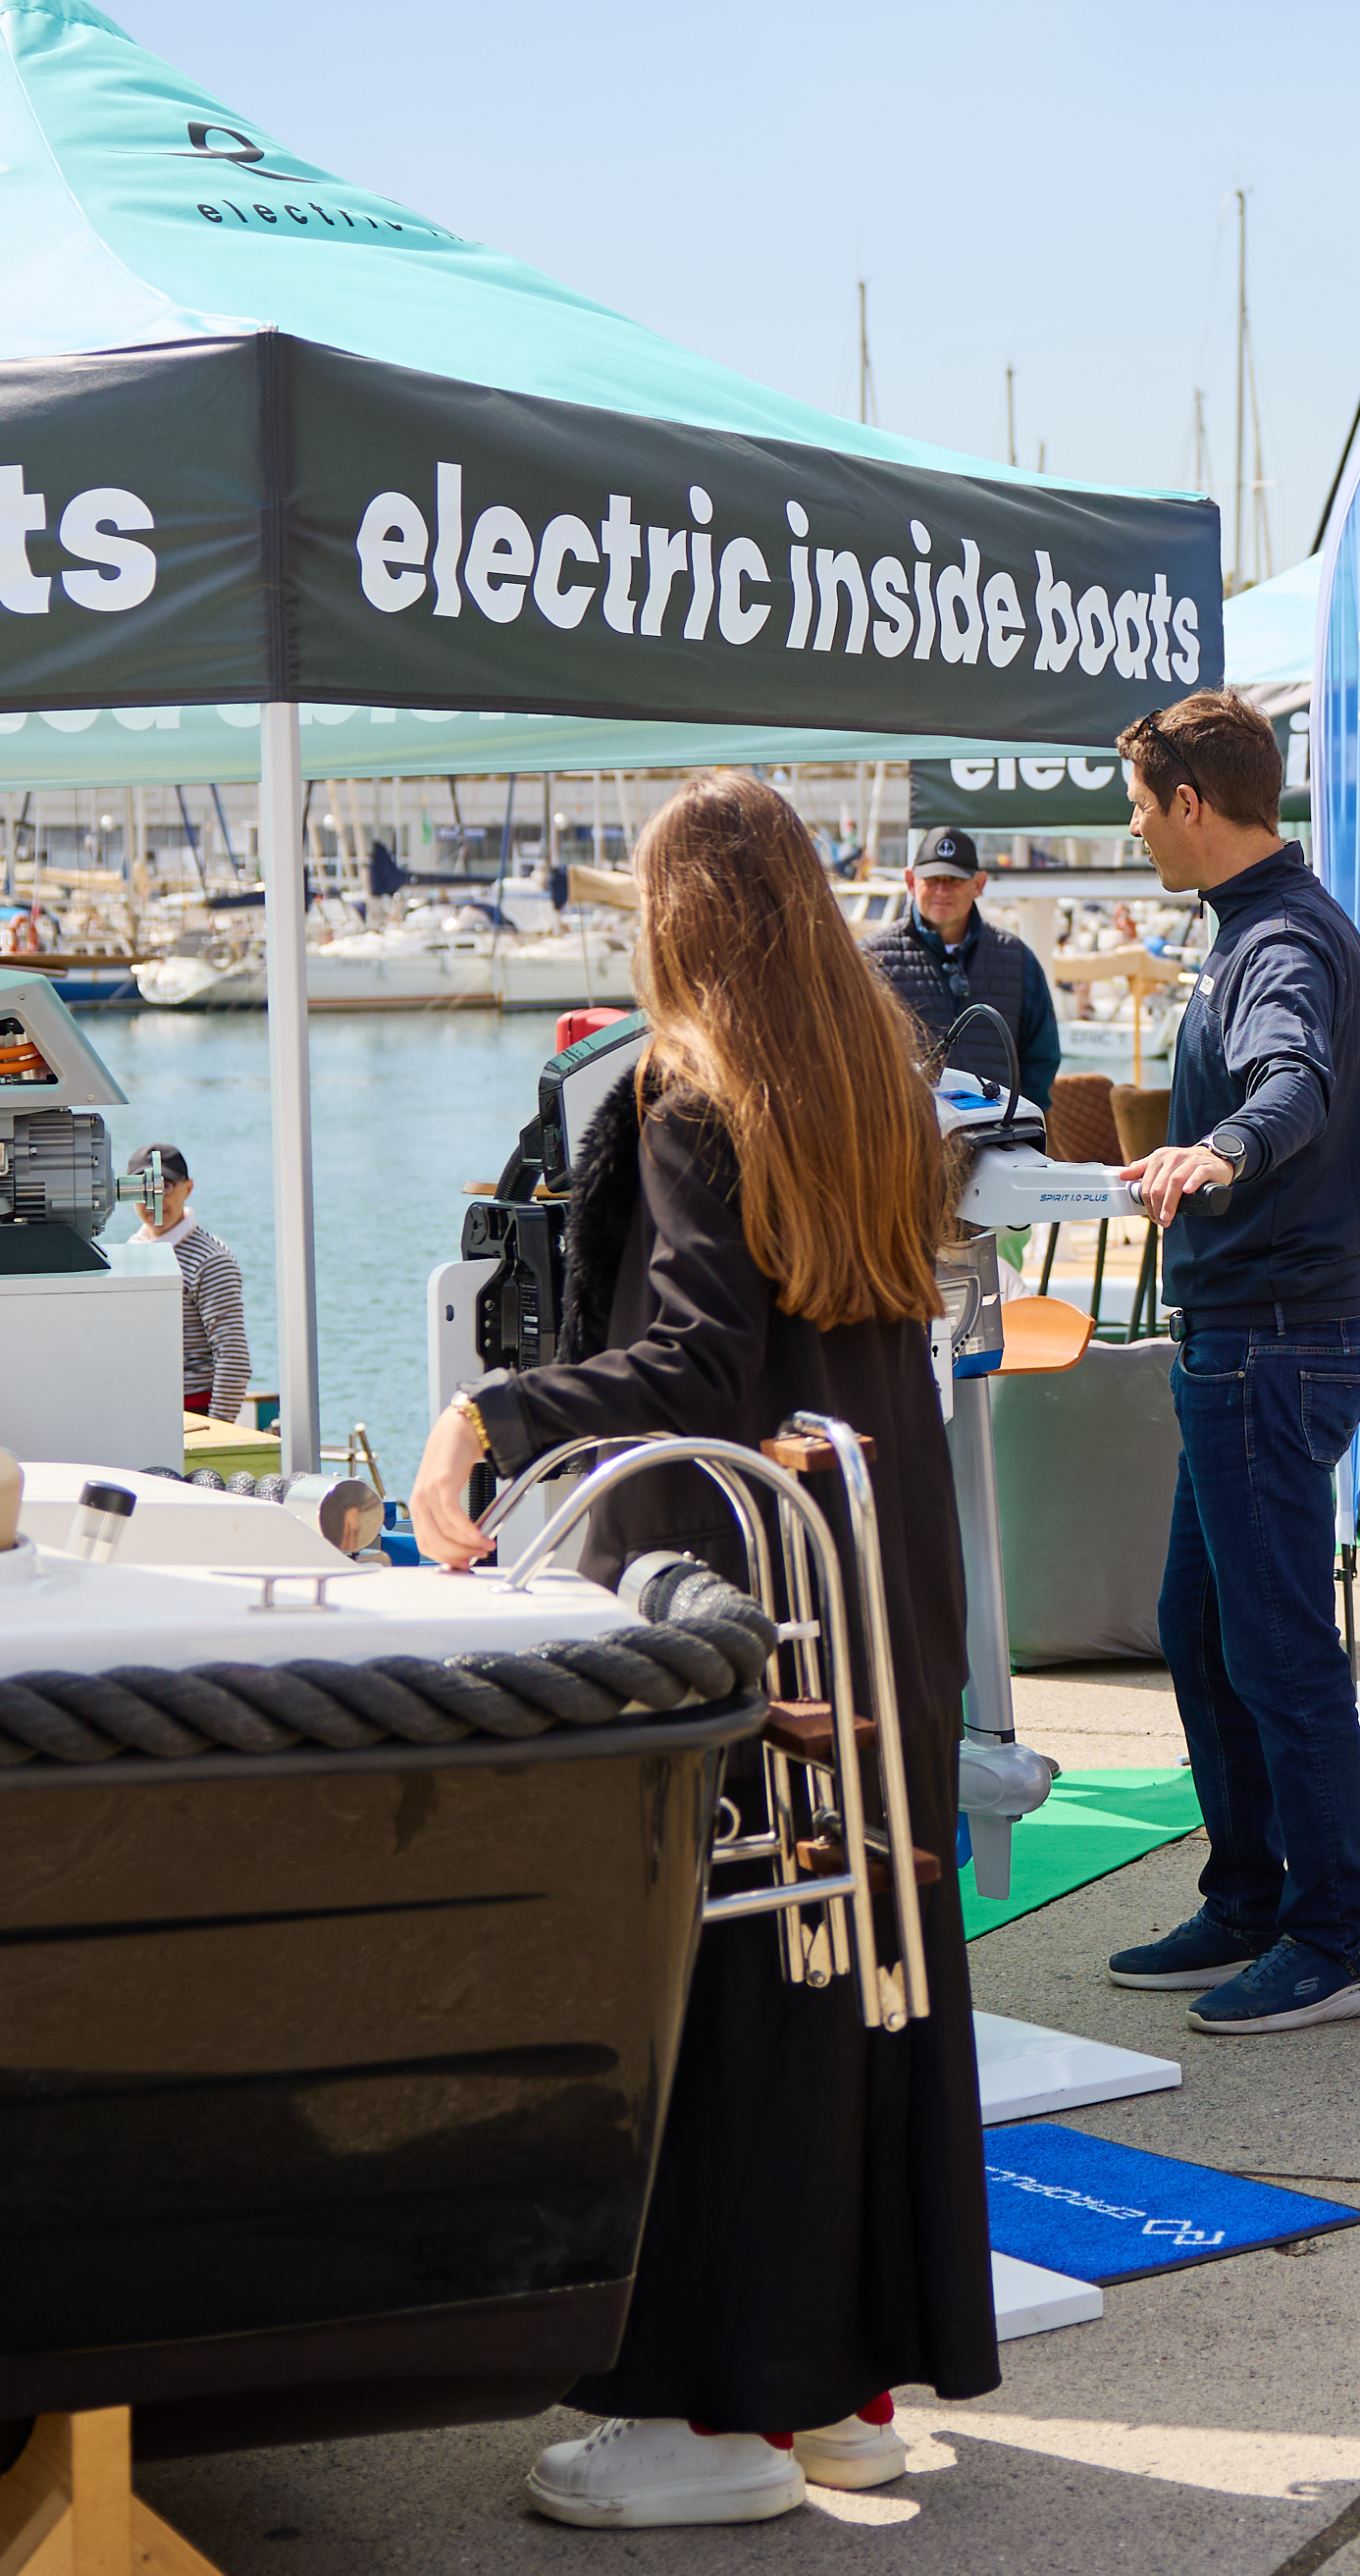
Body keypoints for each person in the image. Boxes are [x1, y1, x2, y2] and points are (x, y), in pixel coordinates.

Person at [402, 775, 996, 2531]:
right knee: (858, 1953)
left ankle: (715, 2414)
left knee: (734, 1977)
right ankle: (843, 2387)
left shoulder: (691, 1091)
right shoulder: (869, 1084)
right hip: (883, 1573)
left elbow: (691, 1363)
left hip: (747, 1580)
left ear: (678, 919)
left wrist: (487, 1413)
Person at [1095, 692, 1360, 2037]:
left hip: (1272, 1346)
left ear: (1193, 805)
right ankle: (1251, 1893)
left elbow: (1293, 1082)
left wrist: (1221, 1150)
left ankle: (1337, 1937)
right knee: (1200, 1625)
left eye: (1142, 805)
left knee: (1276, 1647)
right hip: (1246, 1339)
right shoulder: (1253, 928)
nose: (1136, 828)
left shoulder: (1278, 942)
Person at [866, 824, 1060, 1109]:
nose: (942, 890)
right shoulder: (870, 960)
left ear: (978, 884)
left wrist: (1016, 1120)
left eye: (954, 880)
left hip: (996, 1138)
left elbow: (1041, 1059)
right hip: (905, 1138)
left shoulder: (1018, 960)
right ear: (910, 880)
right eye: (932, 879)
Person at [131, 1142, 248, 1422]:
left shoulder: (210, 1260)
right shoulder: (130, 1251)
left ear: (189, 1188)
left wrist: (217, 1432)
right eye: (142, 1188)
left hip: (194, 1412)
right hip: (141, 1409)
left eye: (165, 1187)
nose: (153, 1199)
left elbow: (233, 1357)